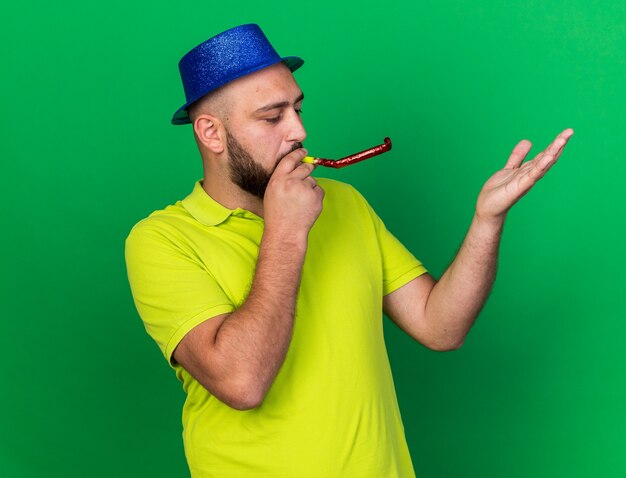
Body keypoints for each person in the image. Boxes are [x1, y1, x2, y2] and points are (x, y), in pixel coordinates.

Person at [125, 23, 573, 478]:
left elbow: (441, 326)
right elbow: (242, 382)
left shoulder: (344, 203)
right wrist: (286, 232)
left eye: (298, 108)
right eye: (272, 116)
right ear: (212, 134)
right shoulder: (162, 240)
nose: (299, 131)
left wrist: (487, 220)